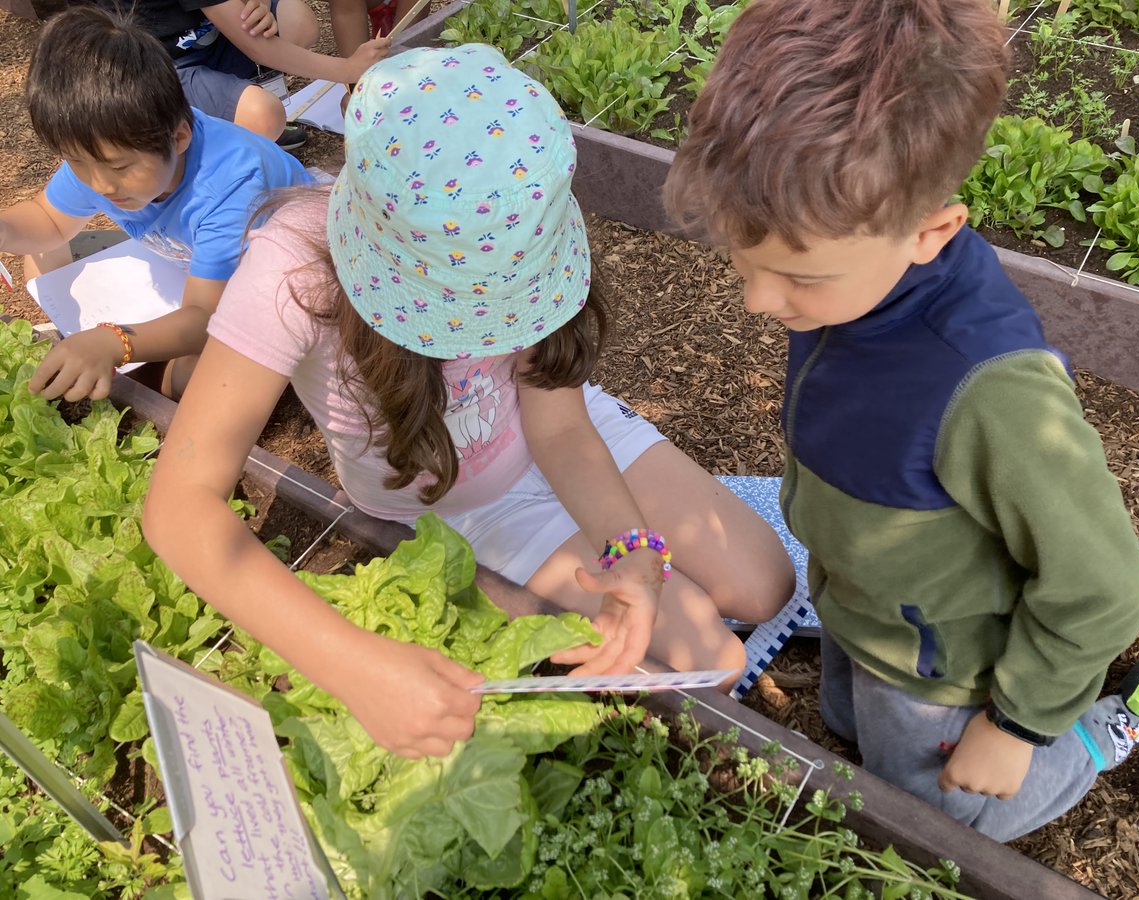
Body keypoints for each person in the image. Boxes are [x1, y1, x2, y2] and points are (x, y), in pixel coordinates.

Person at [141, 44, 795, 759]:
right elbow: (178, 505)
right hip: (454, 504)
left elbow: (561, 425)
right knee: (714, 665)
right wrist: (350, 662)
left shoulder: (507, 219)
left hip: (554, 443)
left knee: (765, 584)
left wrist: (630, 548)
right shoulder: (293, 268)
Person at [663, 0, 1139, 843]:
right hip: (864, 604)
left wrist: (1015, 726)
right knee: (848, 719)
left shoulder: (993, 391)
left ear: (932, 230)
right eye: (746, 261)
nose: (760, 301)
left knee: (946, 808)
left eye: (797, 278)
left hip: (947, 667)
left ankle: (1115, 725)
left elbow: (1097, 585)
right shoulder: (852, 263)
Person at [1, 6, 312, 402]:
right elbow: (49, 219)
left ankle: (136, 383)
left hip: (286, 282)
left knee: (200, 377)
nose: (99, 184)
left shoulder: (229, 185)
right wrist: (5, 229)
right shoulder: (112, 149)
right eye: (77, 162)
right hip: (193, 273)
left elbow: (203, 315)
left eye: (119, 167)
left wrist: (115, 342)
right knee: (42, 253)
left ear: (179, 137)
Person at [99, 0, 394, 146]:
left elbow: (252, 22)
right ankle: (206, 140)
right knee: (265, 115)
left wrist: (261, 4)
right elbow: (255, 46)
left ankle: (229, 115)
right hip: (158, 71)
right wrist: (348, 69)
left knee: (297, 20)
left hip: (209, 41)